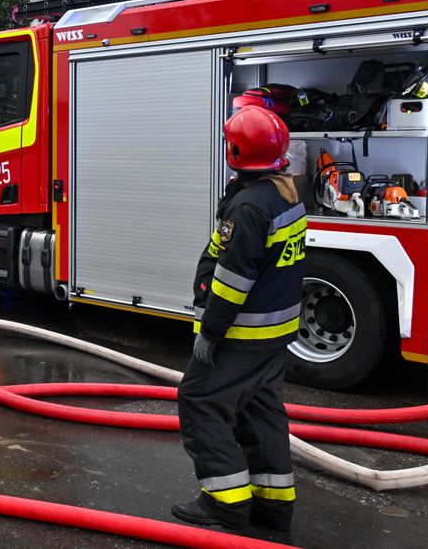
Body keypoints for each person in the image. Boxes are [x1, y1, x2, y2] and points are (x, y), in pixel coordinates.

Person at [172, 105, 306, 533]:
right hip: (273, 334)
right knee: (260, 411)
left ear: (236, 150)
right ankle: (273, 505)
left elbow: (232, 280)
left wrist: (211, 331)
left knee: (200, 400)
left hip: (240, 334)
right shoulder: (282, 193)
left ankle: (224, 501)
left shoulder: (249, 206)